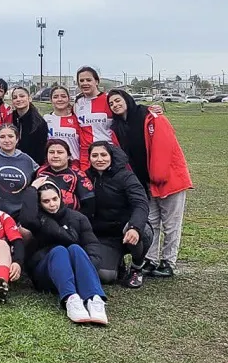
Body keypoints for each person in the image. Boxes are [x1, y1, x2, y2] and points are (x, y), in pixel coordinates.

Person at [108, 89, 192, 278]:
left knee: (171, 224)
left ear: (127, 99)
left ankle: (168, 261)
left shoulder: (150, 117)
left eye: (117, 100)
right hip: (146, 182)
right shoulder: (119, 127)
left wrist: (159, 175)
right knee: (152, 221)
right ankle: (151, 259)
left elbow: (164, 146)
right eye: (111, 103)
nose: (115, 105)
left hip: (168, 180)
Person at [19, 181, 108, 325]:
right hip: (46, 272)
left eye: (55, 199)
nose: (52, 204)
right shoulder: (37, 220)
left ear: (61, 198)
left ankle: (94, 299)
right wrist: (32, 189)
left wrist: (83, 272)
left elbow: (92, 247)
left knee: (75, 249)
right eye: (45, 201)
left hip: (75, 271)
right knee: (59, 250)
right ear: (39, 203)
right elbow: (26, 219)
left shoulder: (78, 218)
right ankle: (71, 299)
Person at [86, 141, 153, 288]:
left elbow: (141, 203)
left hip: (126, 230)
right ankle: (118, 264)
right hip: (105, 236)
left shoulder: (126, 177)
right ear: (89, 158)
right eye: (94, 155)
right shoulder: (86, 178)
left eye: (104, 155)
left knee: (144, 232)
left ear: (111, 156)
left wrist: (135, 227)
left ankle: (137, 267)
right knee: (105, 276)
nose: (99, 159)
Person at [35, 139, 95, 219]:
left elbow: (89, 204)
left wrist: (76, 221)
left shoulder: (78, 175)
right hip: (43, 219)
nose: (55, 156)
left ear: (69, 156)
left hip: (70, 220)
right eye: (51, 152)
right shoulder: (39, 172)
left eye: (60, 152)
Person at [44, 85, 87, 167]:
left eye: (63, 96)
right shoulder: (45, 119)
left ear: (68, 99)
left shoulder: (77, 120)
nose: (60, 99)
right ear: (51, 100)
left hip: (74, 164)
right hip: (52, 165)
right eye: (56, 97)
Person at [10, 85, 48, 166]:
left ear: (29, 98)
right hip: (12, 163)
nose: (18, 99)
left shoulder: (39, 123)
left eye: (22, 96)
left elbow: (41, 151)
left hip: (32, 165)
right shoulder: (10, 119)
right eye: (15, 97)